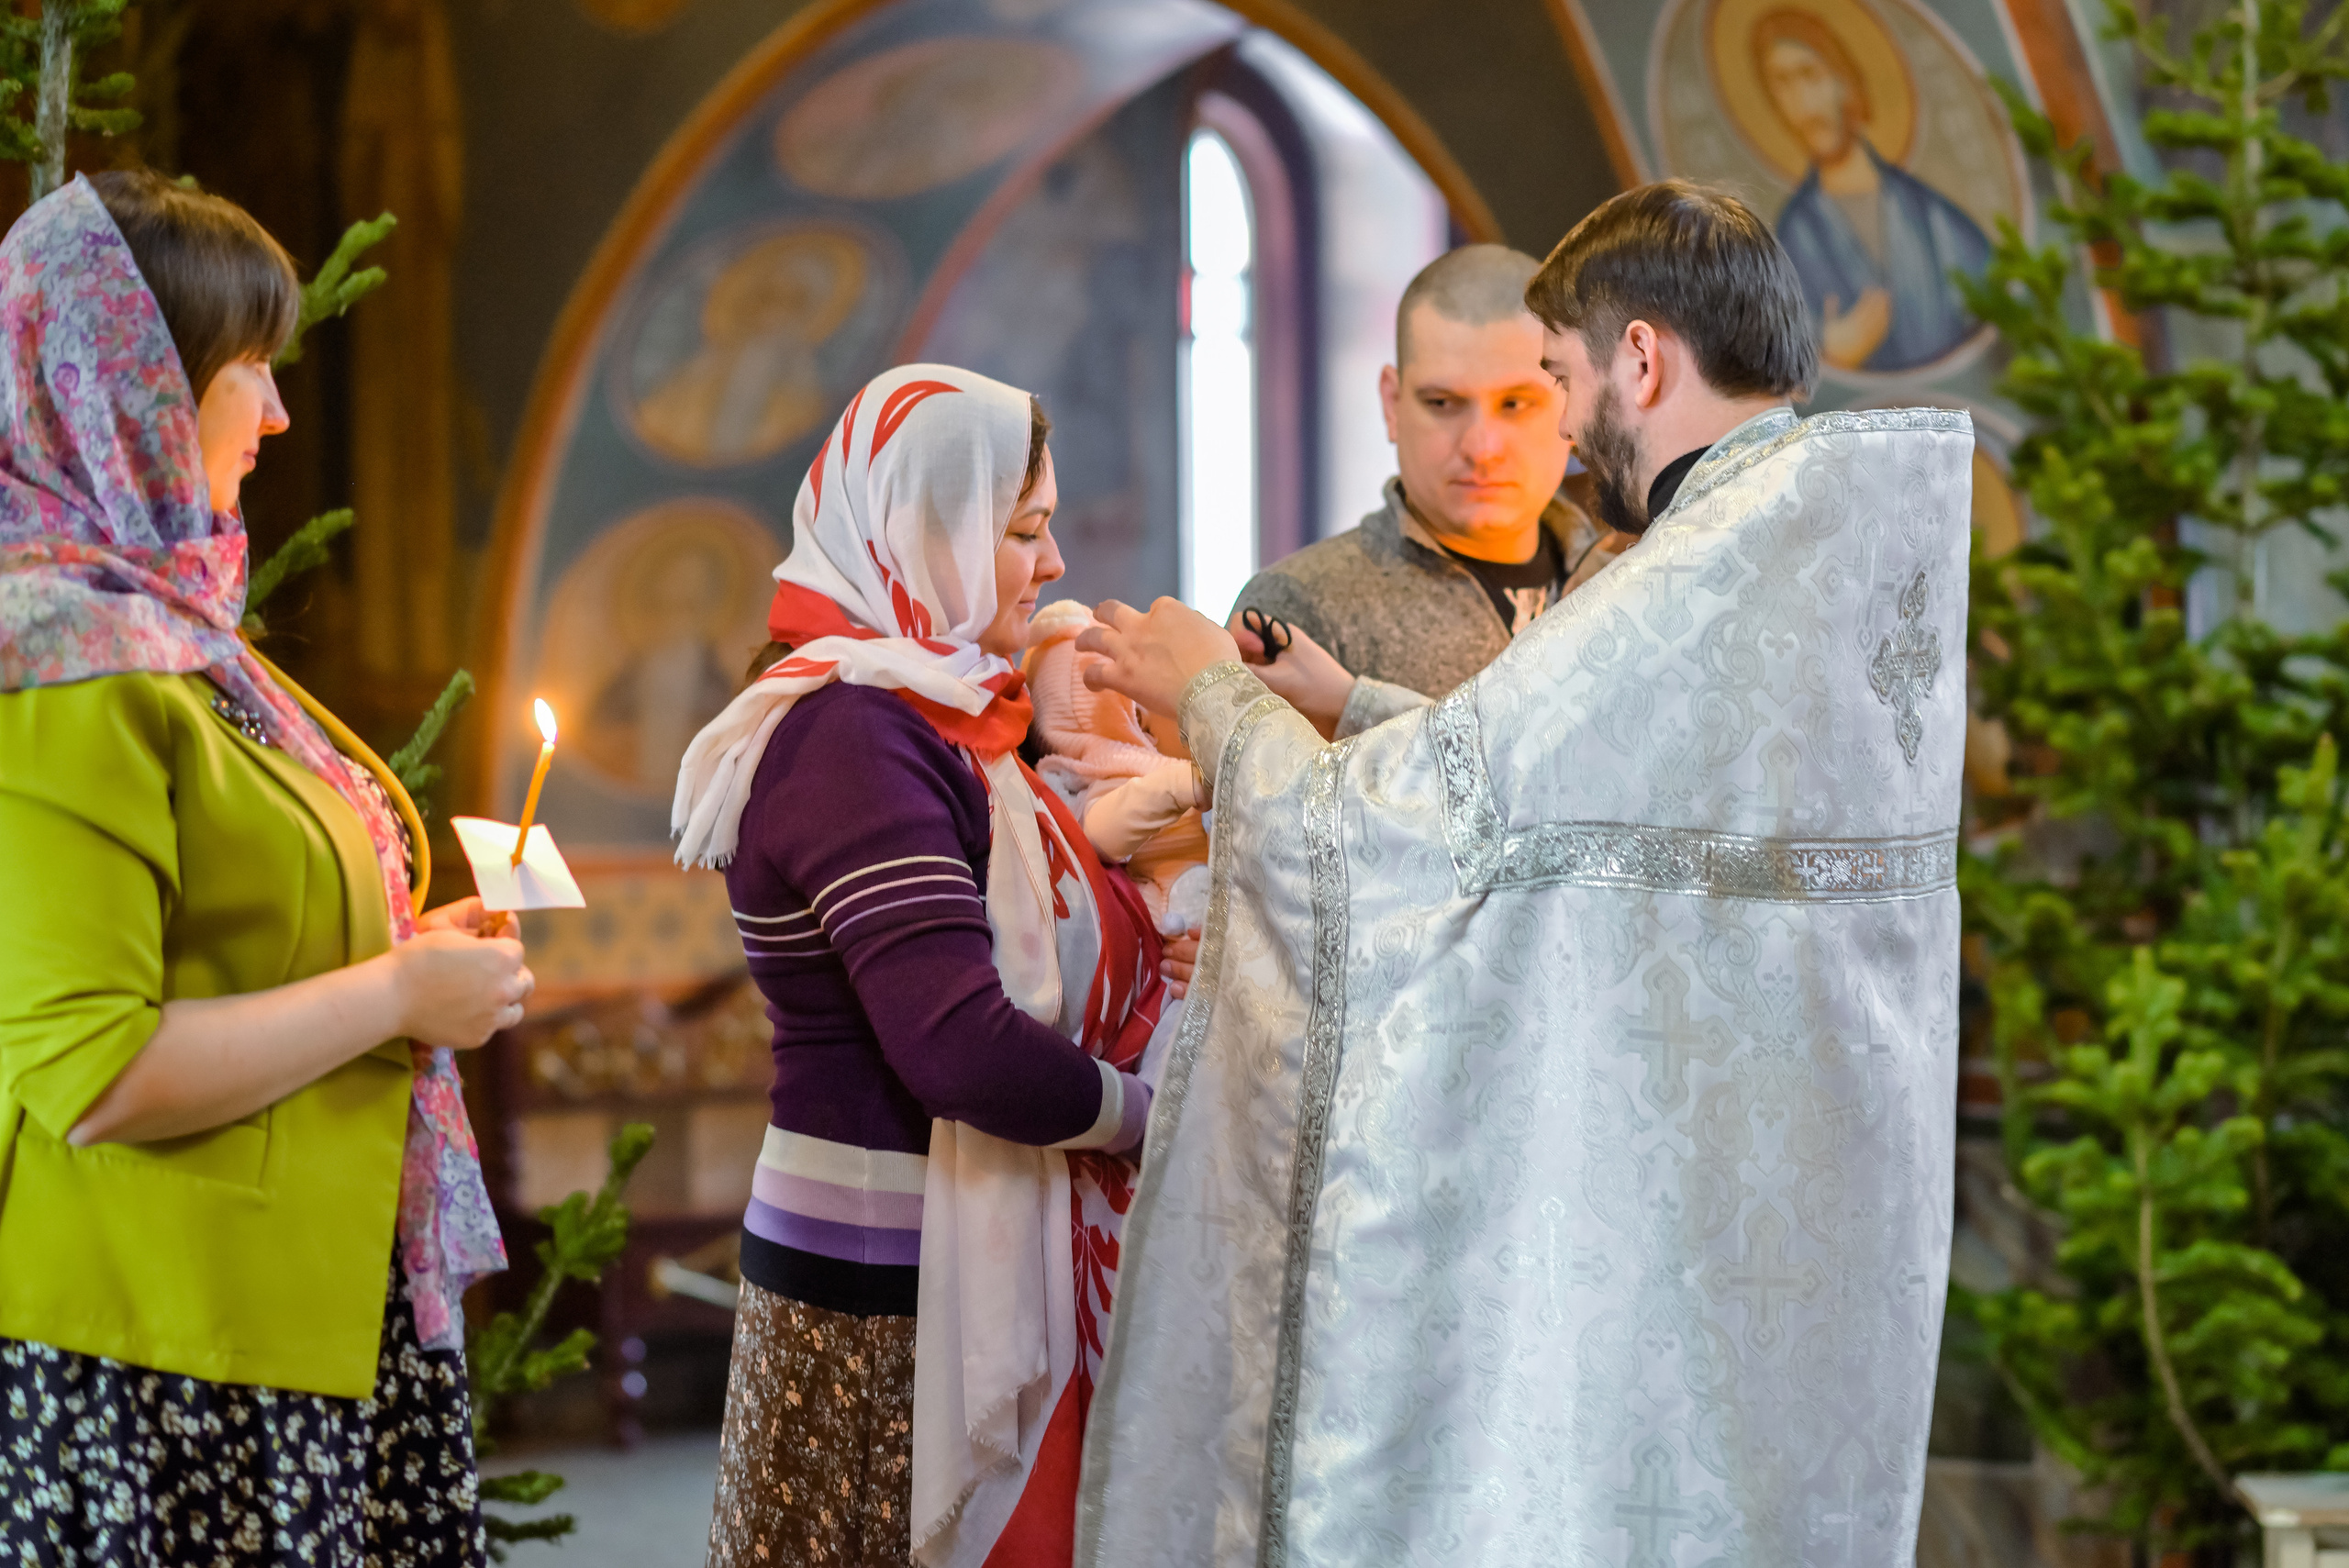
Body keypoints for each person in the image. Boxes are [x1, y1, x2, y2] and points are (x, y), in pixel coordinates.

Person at [1071, 181, 1970, 1566]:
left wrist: (1215, 698)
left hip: (1664, 1242)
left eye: (1553, 379)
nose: (1542, 438)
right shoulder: (1815, 533)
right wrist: (1358, 705)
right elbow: (1570, 797)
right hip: (1780, 1236)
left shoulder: (1697, 573)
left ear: (1643, 360)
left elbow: (1382, 845)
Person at [0, 172, 526, 1566]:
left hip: (301, 1310)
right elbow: (91, 1073)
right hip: (168, 1353)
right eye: (249, 372)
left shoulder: (177, 626)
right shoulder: (56, 659)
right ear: (135, 387)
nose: (280, 413)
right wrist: (402, 995)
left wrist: (418, 957)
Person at [674, 365, 1167, 1568]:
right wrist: (1156, 1119)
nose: (1050, 566)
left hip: (930, 1250)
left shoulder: (931, 709)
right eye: (1024, 529)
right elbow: (958, 1047)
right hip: (876, 1285)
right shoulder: (854, 728)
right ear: (925, 528)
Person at [1225, 243, 1627, 740]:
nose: (1481, 447)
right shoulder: (1299, 609)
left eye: (1516, 404)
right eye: (1443, 402)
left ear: (1570, 399)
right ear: (1393, 404)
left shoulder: (1628, 586)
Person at [1754, 9, 1992, 373]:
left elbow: (1993, 294)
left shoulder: (1930, 214)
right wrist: (1824, 346)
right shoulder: (1793, 235)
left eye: (1809, 75)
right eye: (1782, 85)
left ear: (1845, 83)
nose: (1802, 102)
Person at [1023, 596, 1208, 934]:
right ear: (1136, 719)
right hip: (1170, 939)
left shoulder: (1159, 762)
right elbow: (1100, 832)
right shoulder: (1115, 774)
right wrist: (1187, 783)